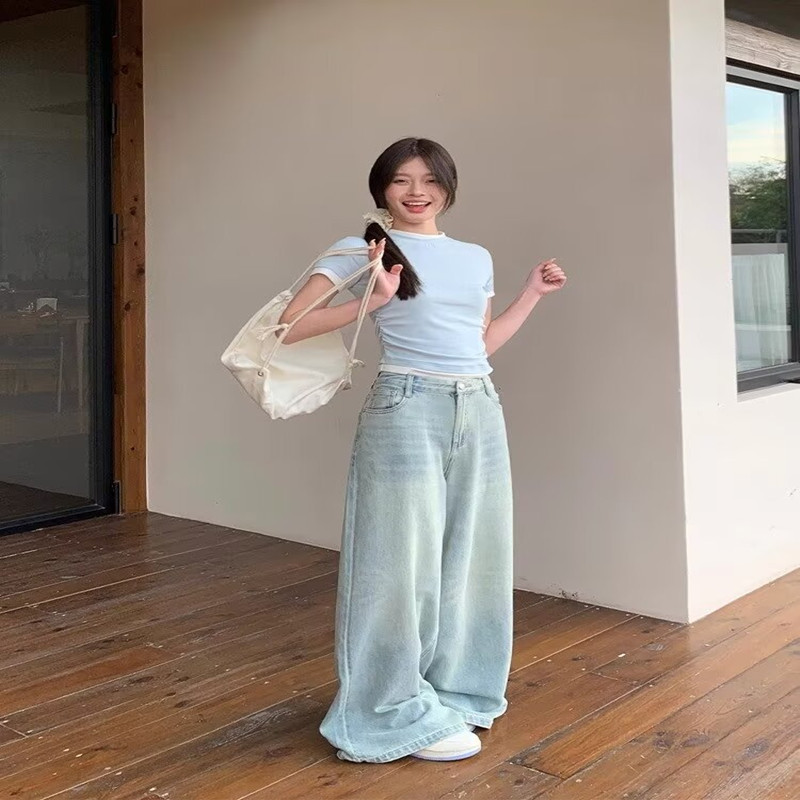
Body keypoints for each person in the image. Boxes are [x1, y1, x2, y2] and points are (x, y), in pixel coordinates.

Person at [278, 137, 566, 763]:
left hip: (479, 404)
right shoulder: (363, 248)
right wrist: (374, 299)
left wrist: (530, 295)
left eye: (430, 180)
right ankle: (386, 710)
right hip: (405, 405)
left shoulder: (474, 256)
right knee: (393, 565)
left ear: (448, 187)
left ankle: (454, 690)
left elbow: (478, 344)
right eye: (401, 180)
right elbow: (289, 327)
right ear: (381, 188)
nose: (416, 192)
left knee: (474, 554)